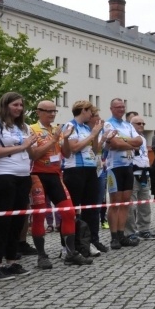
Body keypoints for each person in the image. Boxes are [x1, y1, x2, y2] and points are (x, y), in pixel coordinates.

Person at [28, 100, 90, 268]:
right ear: (38, 112)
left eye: (54, 111)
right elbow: (34, 155)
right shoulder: (31, 129)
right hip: (37, 176)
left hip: (56, 176)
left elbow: (67, 153)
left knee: (69, 213)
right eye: (48, 111)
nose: (52, 114)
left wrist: (66, 139)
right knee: (40, 215)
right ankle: (41, 256)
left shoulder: (58, 130)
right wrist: (53, 139)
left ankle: (70, 253)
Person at [0, 92, 38, 280]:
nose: (19, 108)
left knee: (18, 221)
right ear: (5, 105)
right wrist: (22, 146)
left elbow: (31, 153)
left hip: (23, 176)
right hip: (1, 176)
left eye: (21, 105)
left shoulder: (22, 126)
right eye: (15, 105)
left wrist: (34, 144)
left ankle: (12, 261)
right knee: (3, 222)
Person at [62, 101, 107, 253]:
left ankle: (88, 242)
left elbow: (94, 149)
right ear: (83, 111)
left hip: (90, 168)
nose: (91, 115)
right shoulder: (70, 125)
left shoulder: (86, 128)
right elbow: (74, 148)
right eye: (90, 112)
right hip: (75, 169)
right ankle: (68, 245)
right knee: (73, 209)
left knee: (91, 207)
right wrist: (93, 134)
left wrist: (96, 134)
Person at [104, 98, 142, 249]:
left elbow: (139, 141)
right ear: (111, 108)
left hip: (128, 166)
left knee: (125, 202)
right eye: (118, 107)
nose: (121, 109)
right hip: (115, 167)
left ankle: (122, 234)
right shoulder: (108, 124)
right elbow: (114, 143)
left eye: (123, 107)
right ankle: (114, 237)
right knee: (115, 203)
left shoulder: (128, 125)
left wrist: (124, 141)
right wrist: (130, 144)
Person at [125, 113, 155, 241]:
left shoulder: (142, 138)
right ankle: (130, 232)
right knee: (130, 206)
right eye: (139, 123)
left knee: (145, 205)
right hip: (133, 174)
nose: (142, 125)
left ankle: (144, 229)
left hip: (144, 174)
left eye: (143, 123)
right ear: (131, 125)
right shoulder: (128, 137)